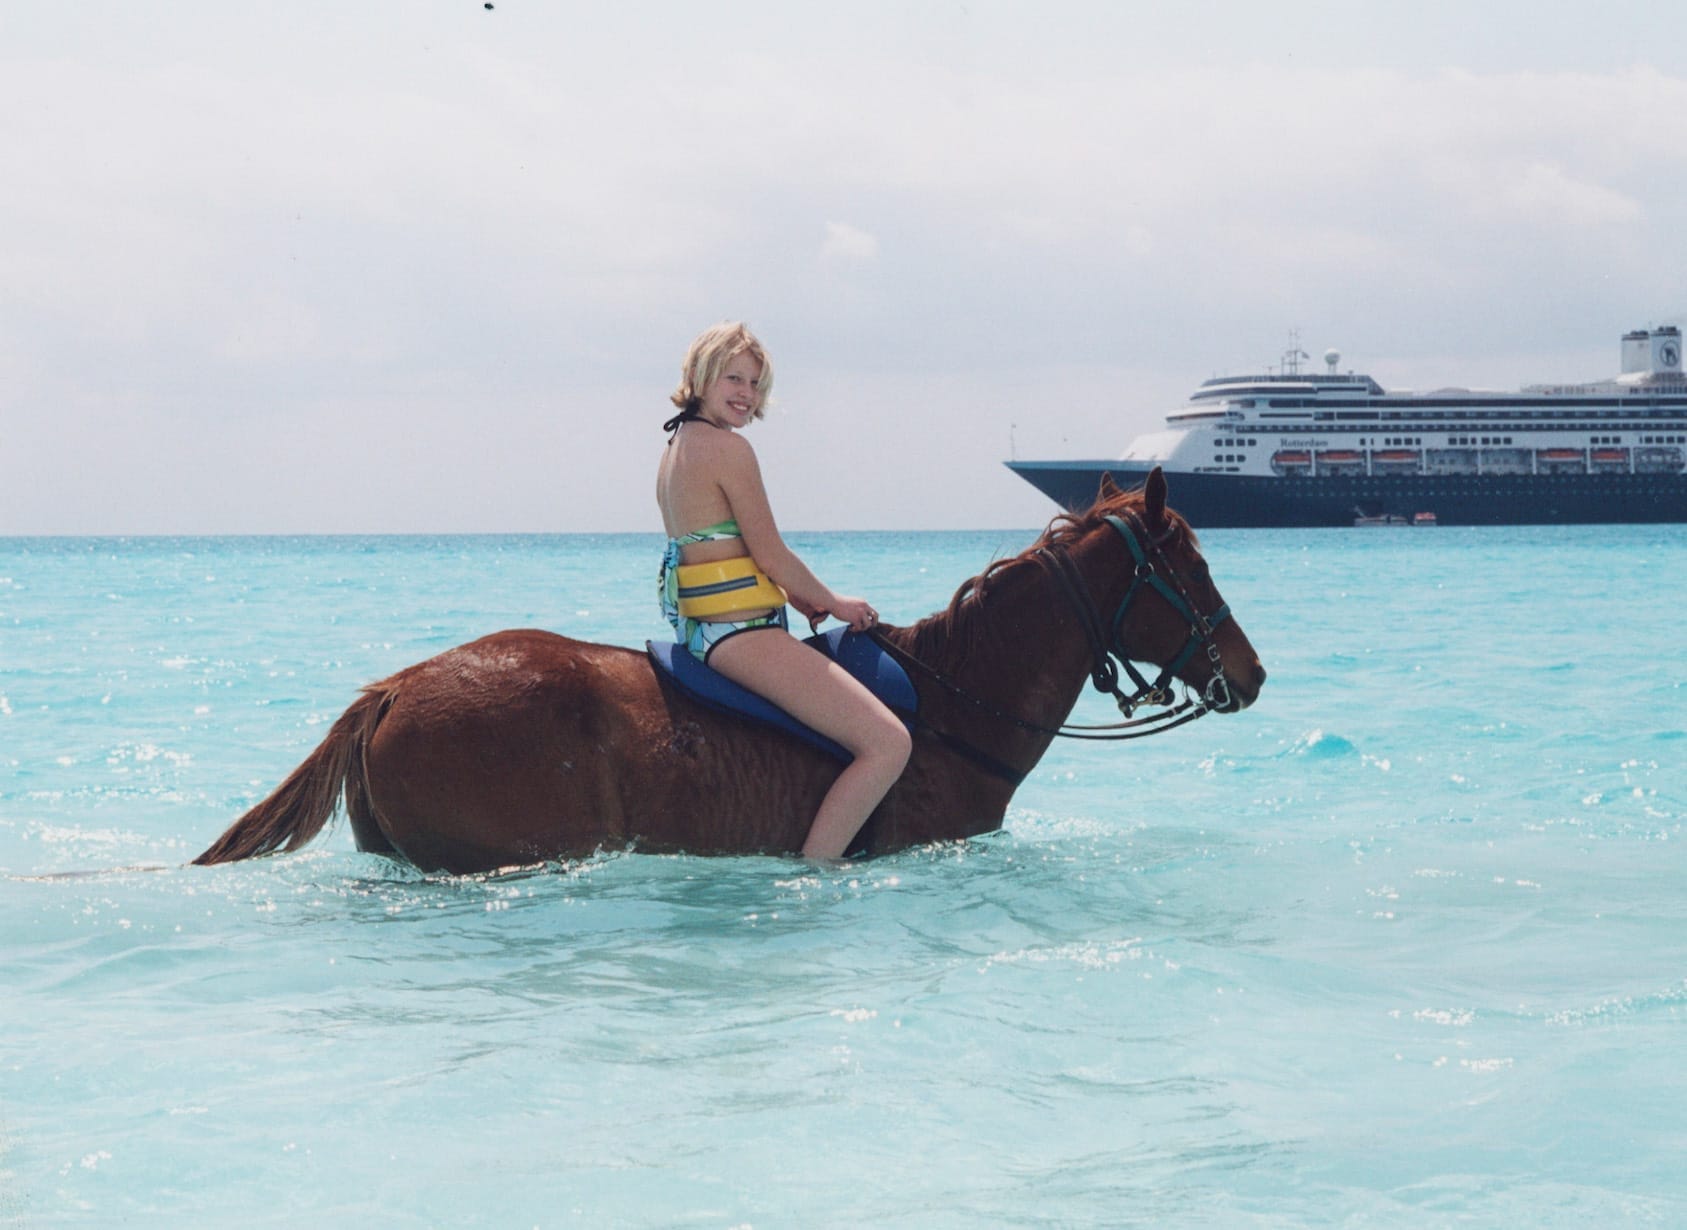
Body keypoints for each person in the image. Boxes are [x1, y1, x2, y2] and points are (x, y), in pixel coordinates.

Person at [656, 322, 911, 860]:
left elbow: (719, 549)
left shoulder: (677, 447)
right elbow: (770, 552)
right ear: (701, 376)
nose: (746, 393)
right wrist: (836, 602)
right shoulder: (729, 450)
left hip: (704, 634)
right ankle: (818, 875)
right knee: (888, 744)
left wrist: (794, 595)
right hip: (742, 636)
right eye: (733, 378)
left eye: (755, 383)